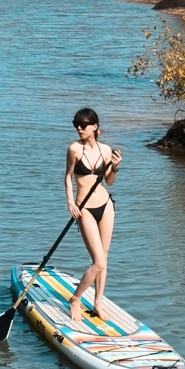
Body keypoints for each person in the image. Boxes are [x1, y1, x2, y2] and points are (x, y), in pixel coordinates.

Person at [64, 106, 121, 329]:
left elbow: (109, 181)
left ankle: (97, 303)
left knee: (104, 259)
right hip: (84, 208)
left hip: (106, 206)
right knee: (98, 262)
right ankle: (75, 299)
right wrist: (70, 202)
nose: (79, 128)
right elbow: (68, 178)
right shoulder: (74, 150)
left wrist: (115, 167)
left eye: (83, 124)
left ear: (95, 127)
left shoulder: (106, 151)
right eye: (76, 124)